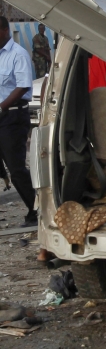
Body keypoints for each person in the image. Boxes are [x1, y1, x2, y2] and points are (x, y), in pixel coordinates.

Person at [0, 17, 35, 226]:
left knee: (16, 169)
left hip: (12, 116)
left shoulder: (18, 54)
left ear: (5, 30)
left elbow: (22, 86)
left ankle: (36, 210)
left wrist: (1, 107)